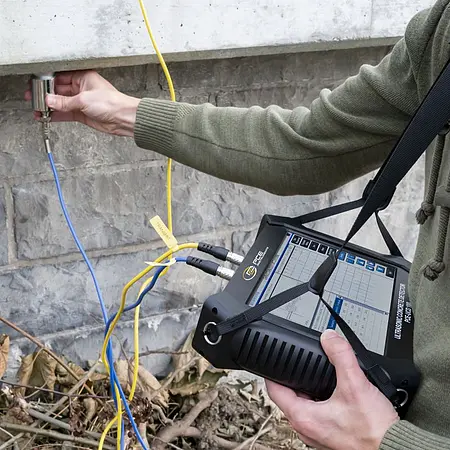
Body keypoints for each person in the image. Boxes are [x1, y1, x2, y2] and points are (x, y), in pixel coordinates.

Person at [24, 1, 450, 448]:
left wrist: (384, 442)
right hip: (400, 393)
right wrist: (128, 113)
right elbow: (308, 145)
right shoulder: (442, 32)